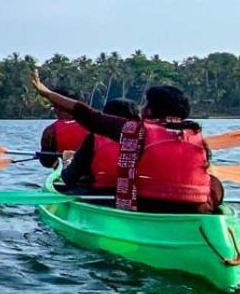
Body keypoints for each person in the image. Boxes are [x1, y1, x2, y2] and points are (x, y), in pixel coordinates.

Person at [31, 71, 223, 213]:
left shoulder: (136, 131)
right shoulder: (198, 138)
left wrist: (47, 93)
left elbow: (90, 116)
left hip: (149, 210)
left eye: (146, 104)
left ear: (151, 111)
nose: (142, 108)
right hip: (197, 210)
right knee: (214, 182)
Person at [59, 97, 138, 196]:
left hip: (99, 197)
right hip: (138, 199)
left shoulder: (93, 139)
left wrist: (67, 161)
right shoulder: (147, 137)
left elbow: (69, 178)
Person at [37, 85, 88, 168]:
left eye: (54, 107)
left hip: (72, 174)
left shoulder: (50, 131)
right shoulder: (95, 124)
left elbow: (47, 162)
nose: (54, 111)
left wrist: (54, 161)